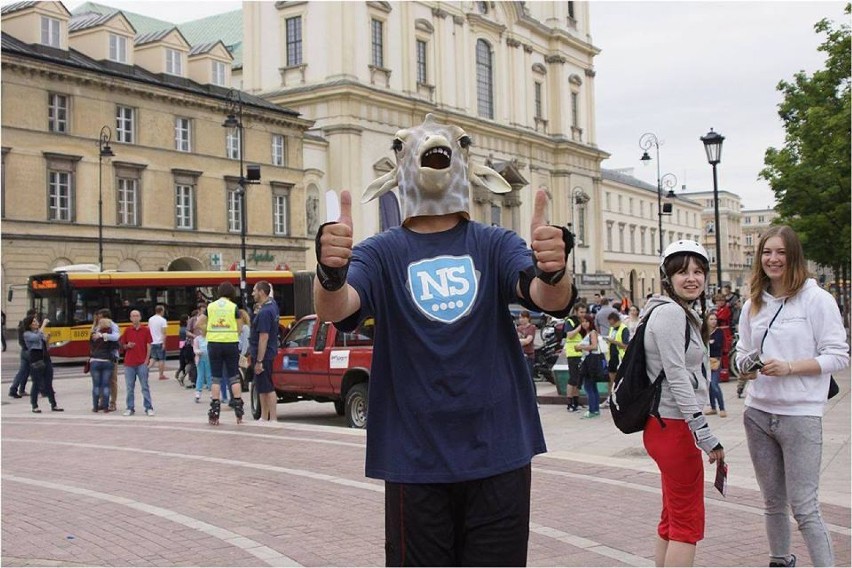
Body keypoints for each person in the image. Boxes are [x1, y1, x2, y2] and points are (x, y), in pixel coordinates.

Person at [313, 115, 574, 566]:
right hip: (415, 458)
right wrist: (330, 272)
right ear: (396, 169)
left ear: (467, 163)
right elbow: (337, 308)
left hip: (499, 450)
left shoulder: (495, 243)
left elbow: (546, 296)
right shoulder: (381, 251)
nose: (433, 145)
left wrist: (554, 268)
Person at [736, 225, 848, 568]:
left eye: (781, 252)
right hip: (758, 413)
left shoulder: (817, 300)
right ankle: (780, 561)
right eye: (767, 252)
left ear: (793, 256)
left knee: (804, 506)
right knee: (772, 503)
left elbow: (839, 355)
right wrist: (747, 364)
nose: (773, 259)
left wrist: (790, 367)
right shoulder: (753, 302)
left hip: (800, 414)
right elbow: (740, 352)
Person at [642, 240, 723, 567]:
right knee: (687, 524)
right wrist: (704, 433)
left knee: (672, 517)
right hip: (675, 428)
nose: (692, 278)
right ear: (668, 277)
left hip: (663, 425)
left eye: (698, 271)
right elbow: (676, 377)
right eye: (682, 272)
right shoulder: (672, 314)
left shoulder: (664, 310)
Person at [205, 282, 244, 424]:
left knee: (216, 378)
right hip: (230, 343)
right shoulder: (234, 308)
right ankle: (238, 410)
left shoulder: (211, 307)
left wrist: (208, 330)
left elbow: (198, 324)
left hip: (214, 344)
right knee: (233, 376)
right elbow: (240, 328)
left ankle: (215, 410)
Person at [249, 281, 279, 421]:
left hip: (264, 355)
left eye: (254, 290)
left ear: (261, 292)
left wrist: (259, 361)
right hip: (268, 352)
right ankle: (264, 416)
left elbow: (263, 337)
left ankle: (272, 418)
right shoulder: (272, 306)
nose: (252, 293)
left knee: (267, 386)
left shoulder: (265, 313)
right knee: (261, 386)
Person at [23, 315, 63, 413]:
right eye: (34, 322)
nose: (36, 323)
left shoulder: (40, 333)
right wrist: (44, 324)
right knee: (36, 383)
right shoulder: (27, 334)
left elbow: (47, 347)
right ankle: (34, 405)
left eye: (36, 321)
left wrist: (48, 339)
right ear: (29, 325)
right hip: (36, 359)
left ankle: (54, 404)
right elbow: (36, 338)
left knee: (48, 383)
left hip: (46, 358)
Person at [120, 309, 154, 416]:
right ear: (130, 318)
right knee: (130, 387)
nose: (135, 318)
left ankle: (148, 407)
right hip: (129, 363)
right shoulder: (127, 330)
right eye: (133, 316)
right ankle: (130, 408)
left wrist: (147, 359)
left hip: (141, 362)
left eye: (137, 316)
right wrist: (127, 346)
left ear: (140, 317)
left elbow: (149, 345)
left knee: (145, 386)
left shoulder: (146, 330)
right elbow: (122, 345)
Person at [575, 315, 604, 419]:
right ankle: (595, 409)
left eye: (586, 322)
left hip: (591, 362)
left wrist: (580, 347)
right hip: (589, 360)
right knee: (592, 386)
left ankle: (592, 409)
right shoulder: (587, 334)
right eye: (582, 322)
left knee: (588, 386)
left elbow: (594, 346)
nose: (584, 324)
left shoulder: (592, 333)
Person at [92, 308, 120, 411]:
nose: (98, 318)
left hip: (111, 357)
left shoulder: (113, 325)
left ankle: (113, 403)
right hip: (99, 357)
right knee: (100, 381)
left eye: (100, 316)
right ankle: (102, 402)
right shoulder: (97, 326)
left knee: (112, 380)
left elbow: (116, 337)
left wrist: (103, 335)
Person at [563, 303, 587, 412]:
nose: (583, 314)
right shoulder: (570, 321)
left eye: (584, 312)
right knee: (572, 378)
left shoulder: (583, 321)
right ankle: (569, 402)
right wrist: (580, 327)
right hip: (573, 353)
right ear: (576, 311)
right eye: (581, 312)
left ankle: (576, 402)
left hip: (581, 353)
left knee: (578, 379)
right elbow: (569, 335)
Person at [603, 310, 630, 406]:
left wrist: (614, 341)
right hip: (611, 356)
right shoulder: (612, 329)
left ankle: (621, 398)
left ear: (614, 320)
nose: (609, 324)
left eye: (610, 321)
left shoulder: (624, 329)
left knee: (620, 379)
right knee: (611, 379)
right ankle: (610, 397)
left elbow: (625, 345)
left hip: (620, 357)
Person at [9, 308, 36, 398]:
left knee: (23, 371)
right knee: (37, 369)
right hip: (30, 351)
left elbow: (21, 341)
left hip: (24, 351)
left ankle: (15, 389)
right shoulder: (29, 327)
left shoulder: (22, 326)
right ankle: (43, 389)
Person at [704, 313, 726, 417]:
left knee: (714, 384)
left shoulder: (719, 332)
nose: (713, 321)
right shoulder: (704, 332)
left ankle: (722, 408)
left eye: (715, 319)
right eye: (711, 319)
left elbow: (718, 344)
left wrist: (711, 342)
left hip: (715, 361)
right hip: (706, 361)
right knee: (709, 385)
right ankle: (713, 407)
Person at [193, 315, 212, 403]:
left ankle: (212, 391)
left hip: (209, 359)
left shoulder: (210, 338)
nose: (201, 331)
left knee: (209, 375)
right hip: (200, 359)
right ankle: (198, 392)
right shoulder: (197, 339)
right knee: (200, 375)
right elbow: (195, 348)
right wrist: (197, 351)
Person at [147, 305, 169, 381]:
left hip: (152, 342)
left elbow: (148, 330)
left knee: (153, 358)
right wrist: (164, 343)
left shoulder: (150, 319)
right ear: (161, 311)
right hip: (159, 342)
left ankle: (146, 369)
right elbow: (164, 332)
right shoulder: (163, 320)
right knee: (161, 359)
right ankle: (161, 375)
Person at [516, 310, 537, 382]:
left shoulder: (532, 327)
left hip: (529, 355)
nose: (520, 319)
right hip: (520, 355)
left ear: (527, 318)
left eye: (522, 318)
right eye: (519, 318)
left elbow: (528, 341)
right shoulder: (519, 328)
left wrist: (520, 341)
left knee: (529, 378)